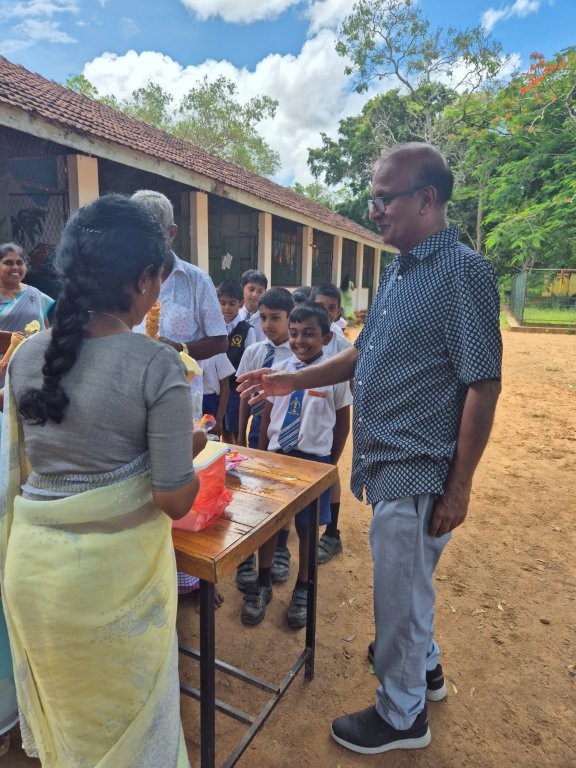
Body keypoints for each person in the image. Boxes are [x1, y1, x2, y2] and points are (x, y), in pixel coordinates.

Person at [238, 142, 502, 754]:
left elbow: (482, 383)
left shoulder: (463, 273)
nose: (374, 210)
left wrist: (459, 486)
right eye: (373, 198)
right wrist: (291, 380)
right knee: (410, 585)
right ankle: (424, 667)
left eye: (385, 198)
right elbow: (365, 352)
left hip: (419, 467)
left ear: (427, 199)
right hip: (388, 463)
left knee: (399, 595)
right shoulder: (400, 271)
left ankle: (402, 715)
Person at [0, 194, 202, 768]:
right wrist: (189, 449)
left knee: (72, 733)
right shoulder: (155, 363)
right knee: (129, 740)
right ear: (143, 279)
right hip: (110, 589)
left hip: (33, 577)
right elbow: (174, 498)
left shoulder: (25, 356)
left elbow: (34, 462)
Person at [240, 302, 352, 628]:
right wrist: (261, 455)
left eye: (309, 334)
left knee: (306, 528)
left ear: (327, 337)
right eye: (294, 333)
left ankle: (303, 586)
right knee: (268, 523)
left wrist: (330, 464)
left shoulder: (333, 376)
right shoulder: (278, 371)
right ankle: (263, 580)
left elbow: (342, 424)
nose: (300, 341)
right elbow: (265, 419)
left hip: (314, 463)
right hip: (277, 457)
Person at [235, 287, 294, 591]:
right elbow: (244, 396)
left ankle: (280, 547)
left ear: (290, 318)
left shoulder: (296, 356)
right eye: (263, 317)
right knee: (251, 490)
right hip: (256, 428)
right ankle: (246, 553)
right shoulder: (254, 352)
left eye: (275, 318)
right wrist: (241, 433)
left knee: (279, 493)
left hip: (282, 432)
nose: (268, 324)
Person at [309, 284, 353, 564]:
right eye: (320, 306)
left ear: (338, 311)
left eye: (331, 308)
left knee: (330, 470)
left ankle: (332, 532)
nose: (326, 312)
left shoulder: (342, 345)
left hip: (330, 415)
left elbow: (347, 389)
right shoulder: (303, 334)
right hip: (306, 415)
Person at [0, 243, 54, 379]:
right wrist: (13, 340)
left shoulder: (36, 294)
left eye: (19, 262)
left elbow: (45, 330)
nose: (15, 267)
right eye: (8, 263)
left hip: (32, 368)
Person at [219, 279, 257, 444]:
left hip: (236, 390)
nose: (226, 308)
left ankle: (238, 456)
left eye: (232, 303)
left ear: (241, 303)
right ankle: (227, 457)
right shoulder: (215, 328)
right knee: (221, 429)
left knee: (236, 432)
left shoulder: (247, 330)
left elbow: (251, 364)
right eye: (222, 303)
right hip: (218, 388)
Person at [198, 353, 235, 438]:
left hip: (209, 405)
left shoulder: (217, 351)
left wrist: (218, 420)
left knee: (210, 439)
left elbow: (225, 388)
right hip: (189, 401)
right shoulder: (183, 349)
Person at [239, 269, 268, 342]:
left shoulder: (267, 318)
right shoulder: (235, 314)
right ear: (242, 289)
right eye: (251, 290)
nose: (255, 295)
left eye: (260, 291)